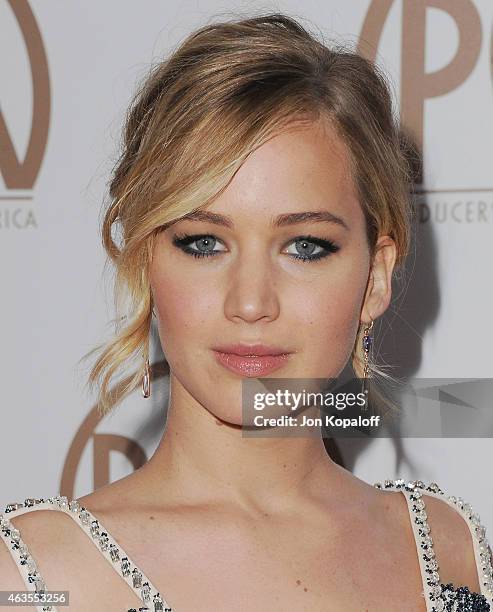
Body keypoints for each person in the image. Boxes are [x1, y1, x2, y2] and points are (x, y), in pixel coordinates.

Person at [1, 12, 492, 612]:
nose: (251, 303)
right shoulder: (38, 575)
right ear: (146, 262)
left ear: (376, 277)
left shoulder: (444, 552)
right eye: (203, 243)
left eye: (305, 247)